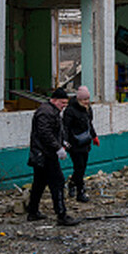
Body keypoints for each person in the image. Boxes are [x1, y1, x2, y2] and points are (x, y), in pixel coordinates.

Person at [26, 88, 80, 226]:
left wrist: (62, 142)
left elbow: (52, 132)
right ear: (54, 100)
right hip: (46, 155)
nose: (64, 106)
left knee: (39, 183)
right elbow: (45, 133)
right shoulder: (46, 112)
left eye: (65, 103)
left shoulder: (51, 111)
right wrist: (58, 148)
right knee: (58, 182)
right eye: (62, 103)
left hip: (42, 154)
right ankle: (61, 215)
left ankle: (33, 211)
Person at [63, 85, 99, 202]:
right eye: (84, 99)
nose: (86, 102)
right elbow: (65, 128)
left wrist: (94, 136)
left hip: (85, 142)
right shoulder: (70, 111)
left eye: (87, 99)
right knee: (79, 167)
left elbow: (89, 124)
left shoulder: (88, 110)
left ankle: (72, 183)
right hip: (74, 144)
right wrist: (65, 142)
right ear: (78, 99)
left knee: (82, 168)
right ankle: (80, 192)